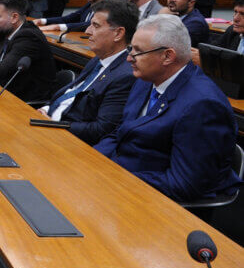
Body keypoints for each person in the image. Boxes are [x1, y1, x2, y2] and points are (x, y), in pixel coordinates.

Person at [94, 15, 240, 201]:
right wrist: (92, 160)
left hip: (149, 200)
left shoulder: (203, 105)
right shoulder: (147, 79)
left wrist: (114, 176)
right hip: (120, 181)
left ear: (167, 56)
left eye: (137, 51)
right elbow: (120, 133)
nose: (129, 58)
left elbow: (184, 184)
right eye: (131, 48)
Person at [38, 0, 137, 145]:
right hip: (48, 124)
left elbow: (102, 129)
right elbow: (72, 93)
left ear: (118, 33)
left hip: (69, 141)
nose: (87, 31)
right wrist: (46, 109)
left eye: (95, 26)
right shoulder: (97, 60)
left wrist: (53, 123)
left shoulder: (125, 76)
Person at [192, 0, 244, 66]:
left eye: (242, 14)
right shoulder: (232, 31)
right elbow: (212, 49)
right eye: (235, 12)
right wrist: (198, 53)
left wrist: (204, 62)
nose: (235, 18)